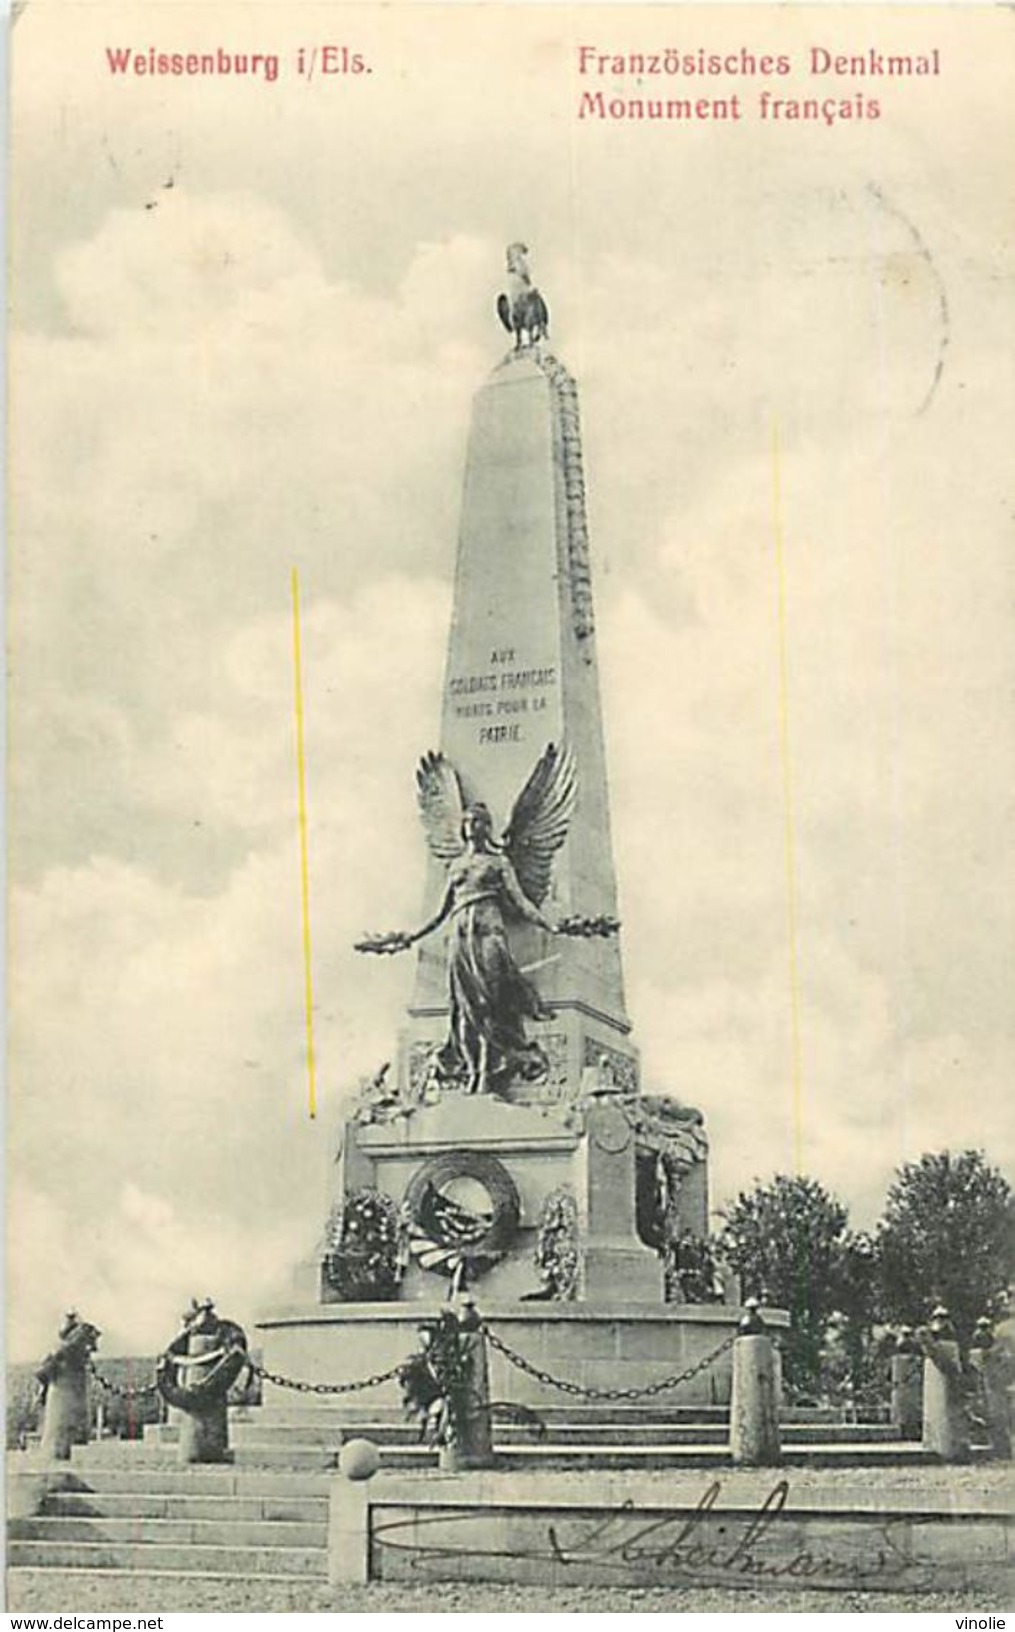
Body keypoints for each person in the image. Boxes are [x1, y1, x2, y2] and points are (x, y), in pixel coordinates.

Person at [385, 803, 557, 1095]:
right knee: (464, 1010)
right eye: (467, 820)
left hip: (489, 934)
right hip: (459, 937)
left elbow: (521, 902)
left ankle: (488, 1072)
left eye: (477, 821)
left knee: (490, 1005)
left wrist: (551, 925)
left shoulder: (499, 863)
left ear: (487, 827)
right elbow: (440, 912)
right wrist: (409, 937)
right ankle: (473, 1069)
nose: (471, 825)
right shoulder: (456, 867)